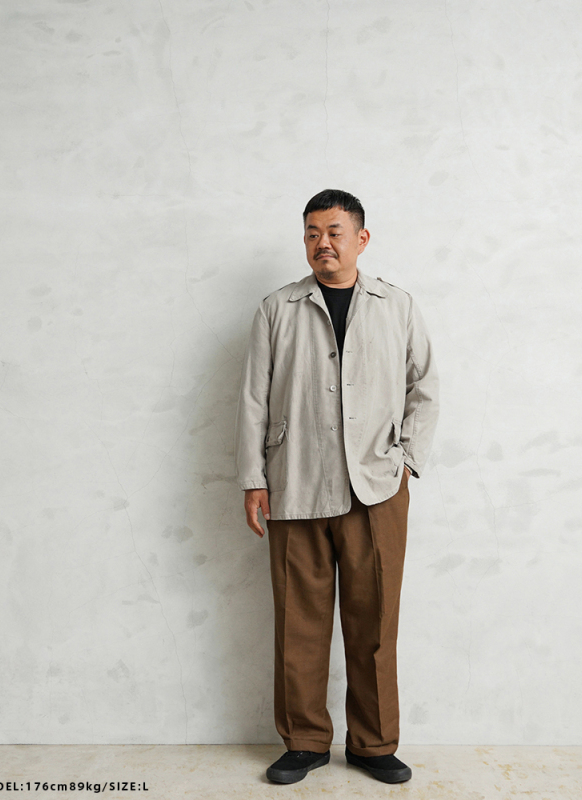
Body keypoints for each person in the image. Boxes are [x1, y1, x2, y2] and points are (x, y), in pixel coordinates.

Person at [234, 189, 440, 785]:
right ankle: (304, 741)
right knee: (299, 622)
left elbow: (425, 386)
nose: (321, 243)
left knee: (375, 623)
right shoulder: (277, 309)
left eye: (333, 232)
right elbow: (252, 399)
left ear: (361, 239)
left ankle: (373, 745)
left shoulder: (396, 305)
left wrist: (406, 460)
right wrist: (253, 479)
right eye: (311, 233)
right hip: (294, 483)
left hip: (377, 489)